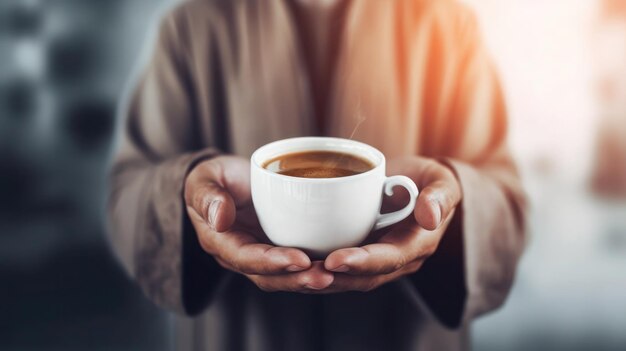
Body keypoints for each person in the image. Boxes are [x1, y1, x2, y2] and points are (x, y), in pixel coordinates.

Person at [107, 0, 527, 350]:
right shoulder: (193, 26)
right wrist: (191, 203)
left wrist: (446, 210)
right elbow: (128, 194)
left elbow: (503, 199)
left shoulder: (446, 25)